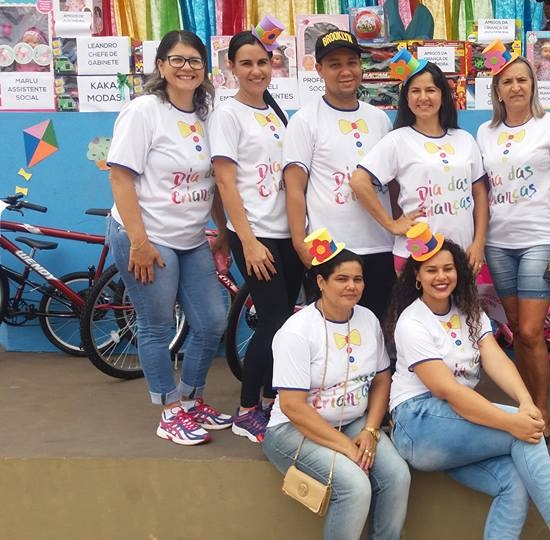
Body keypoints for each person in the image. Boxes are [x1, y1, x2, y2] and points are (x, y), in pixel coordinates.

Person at [387, 224, 550, 540]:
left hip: (455, 425)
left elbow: (495, 358)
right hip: (417, 423)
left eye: (448, 268)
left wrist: (527, 403)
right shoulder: (412, 322)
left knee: (514, 481)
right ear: (417, 277)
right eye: (431, 270)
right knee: (526, 433)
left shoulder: (469, 310)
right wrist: (512, 421)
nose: (441, 276)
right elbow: (447, 390)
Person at [105, 30, 230, 445]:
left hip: (191, 238)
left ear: (204, 69)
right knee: (157, 327)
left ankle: (191, 399)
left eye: (194, 60)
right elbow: (120, 178)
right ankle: (169, 409)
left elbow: (214, 181)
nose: (186, 67)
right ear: (160, 66)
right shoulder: (144, 111)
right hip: (148, 235)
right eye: (176, 59)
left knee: (212, 321)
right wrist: (139, 242)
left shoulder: (208, 114)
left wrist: (222, 231)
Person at [263, 230, 410, 539]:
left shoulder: (367, 319)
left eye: (358, 279)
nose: (352, 286)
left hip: (352, 421)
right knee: (355, 486)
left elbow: (382, 377)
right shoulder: (296, 332)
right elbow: (292, 407)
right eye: (341, 279)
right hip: (293, 430)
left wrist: (370, 430)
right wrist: (346, 447)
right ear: (321, 282)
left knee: (397, 476)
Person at [476, 49, 550, 440]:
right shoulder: (485, 133)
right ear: (497, 91)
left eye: (522, 79)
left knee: (533, 330)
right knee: (517, 329)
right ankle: (526, 405)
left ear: (533, 85)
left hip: (541, 239)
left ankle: (541, 408)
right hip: (499, 243)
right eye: (507, 81)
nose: (515, 87)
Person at [209, 23, 300, 444]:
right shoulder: (227, 115)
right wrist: (246, 241)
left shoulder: (276, 111)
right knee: (274, 321)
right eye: (246, 63)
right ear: (231, 67)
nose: (256, 70)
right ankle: (247, 410)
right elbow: (225, 183)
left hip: (286, 234)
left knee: (283, 323)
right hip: (256, 235)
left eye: (262, 62)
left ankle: (269, 399)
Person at [284, 30, 396, 321]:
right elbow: (294, 188)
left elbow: (392, 182)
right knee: (331, 333)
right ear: (319, 69)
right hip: (330, 250)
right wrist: (300, 243)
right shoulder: (305, 120)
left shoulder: (380, 119)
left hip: (380, 246)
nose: (345, 71)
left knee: (379, 330)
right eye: (334, 64)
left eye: (351, 62)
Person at [349, 55, 488, 275]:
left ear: (443, 95)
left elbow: (479, 194)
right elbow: (358, 180)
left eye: (430, 90)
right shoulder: (397, 140)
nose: (423, 97)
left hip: (461, 256)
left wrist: (478, 243)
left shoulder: (465, 140)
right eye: (415, 91)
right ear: (406, 98)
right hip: (415, 256)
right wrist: (391, 224)